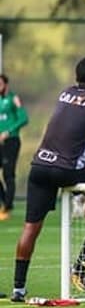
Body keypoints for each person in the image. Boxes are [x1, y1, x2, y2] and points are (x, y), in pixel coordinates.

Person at [9, 57, 85, 302]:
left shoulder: (65, 93)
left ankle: (18, 289)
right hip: (67, 168)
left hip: (40, 164)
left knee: (31, 227)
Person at [0, 73, 29, 220]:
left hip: (11, 141)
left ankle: (7, 207)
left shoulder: (13, 99)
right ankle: (5, 201)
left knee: (8, 174)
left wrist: (9, 131)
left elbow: (24, 118)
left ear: (5, 84)